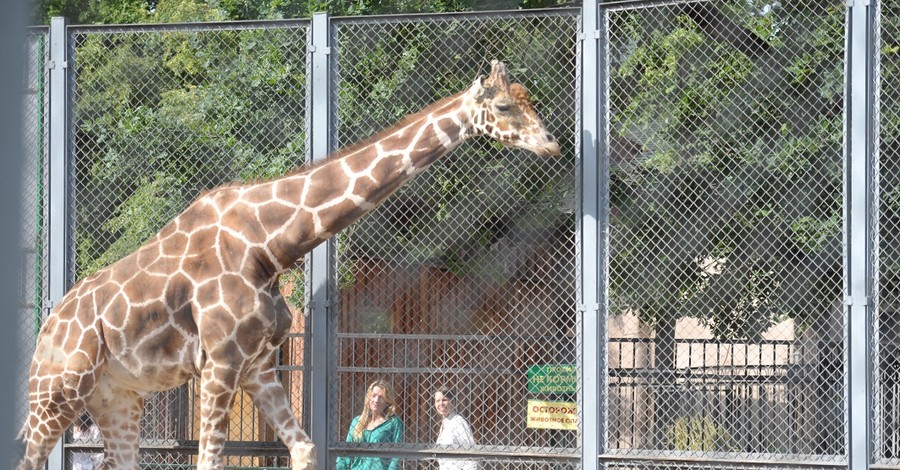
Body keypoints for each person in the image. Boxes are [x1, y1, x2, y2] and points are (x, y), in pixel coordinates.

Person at [336, 380, 404, 470]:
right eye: (373, 396)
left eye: (381, 397)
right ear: (368, 398)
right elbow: (346, 452)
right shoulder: (357, 421)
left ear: (387, 401)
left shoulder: (394, 423)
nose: (376, 400)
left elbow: (396, 457)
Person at [433, 387, 477, 470]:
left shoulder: (458, 422)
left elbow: (472, 454)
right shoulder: (445, 423)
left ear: (452, 402)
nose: (441, 403)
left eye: (444, 400)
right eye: (437, 401)